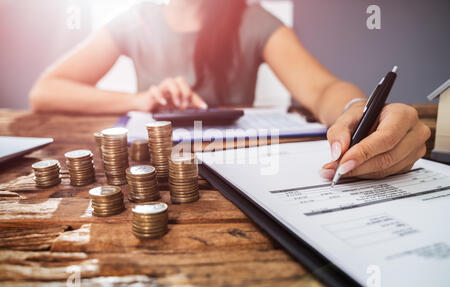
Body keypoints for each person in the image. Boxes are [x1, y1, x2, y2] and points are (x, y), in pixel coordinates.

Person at [29, 0, 430, 180]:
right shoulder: (135, 20)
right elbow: (46, 91)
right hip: (159, 172)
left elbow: (323, 90)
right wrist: (139, 100)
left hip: (243, 172)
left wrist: (359, 107)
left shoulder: (252, 20)